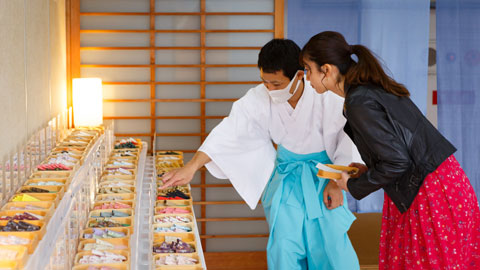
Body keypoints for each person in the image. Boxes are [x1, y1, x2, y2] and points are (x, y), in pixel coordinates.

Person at [161, 39, 361, 270]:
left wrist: (337, 183)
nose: (269, 89)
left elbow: (348, 139)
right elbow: (230, 131)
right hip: (286, 182)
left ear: (299, 75)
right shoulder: (259, 96)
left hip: (326, 179)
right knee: (284, 249)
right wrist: (192, 167)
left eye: (276, 84)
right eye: (264, 82)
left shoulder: (325, 94)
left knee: (332, 249)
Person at [301, 31, 480, 269]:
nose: (307, 78)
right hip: (440, 184)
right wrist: (368, 170)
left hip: (427, 192)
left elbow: (397, 162)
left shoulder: (359, 101)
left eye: (308, 69)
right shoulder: (368, 89)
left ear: (327, 70)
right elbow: (397, 153)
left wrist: (351, 185)